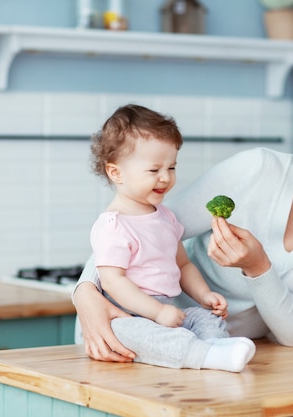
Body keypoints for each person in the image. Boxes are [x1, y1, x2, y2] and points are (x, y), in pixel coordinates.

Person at [73, 83, 293, 363]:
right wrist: (85, 293)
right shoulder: (258, 169)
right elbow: (142, 224)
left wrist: (258, 268)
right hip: (130, 331)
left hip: (218, 355)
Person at [85, 103, 256, 372]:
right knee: (134, 333)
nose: (165, 178)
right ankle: (208, 356)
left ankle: (216, 348)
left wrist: (204, 295)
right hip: (127, 314)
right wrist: (156, 312)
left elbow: (183, 265)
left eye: (172, 167)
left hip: (167, 310)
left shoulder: (165, 217)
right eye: (154, 170)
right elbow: (113, 282)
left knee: (203, 318)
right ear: (115, 172)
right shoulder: (112, 226)